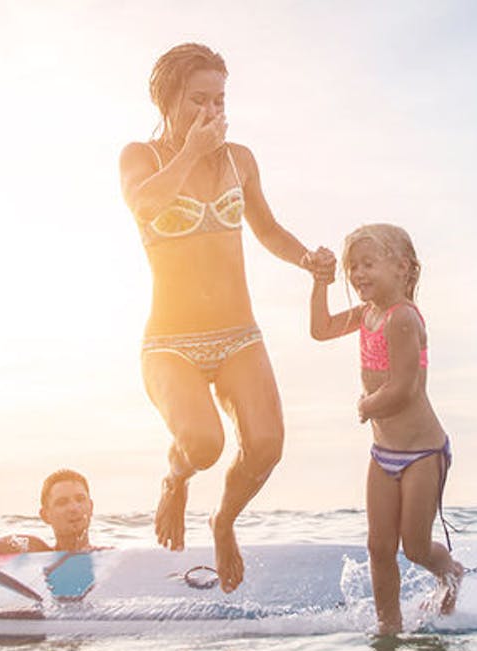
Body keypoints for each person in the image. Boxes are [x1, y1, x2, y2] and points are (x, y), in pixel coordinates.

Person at [118, 43, 336, 593]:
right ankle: (175, 477)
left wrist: (306, 257)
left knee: (266, 447)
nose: (211, 112)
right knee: (205, 445)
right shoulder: (139, 157)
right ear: (167, 101)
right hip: (169, 341)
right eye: (197, 100)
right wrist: (190, 152)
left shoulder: (241, 158)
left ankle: (223, 522)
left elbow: (266, 228)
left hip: (239, 334)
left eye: (219, 99)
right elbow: (144, 205)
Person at [308, 224, 464, 635]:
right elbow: (321, 329)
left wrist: (366, 405)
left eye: (368, 264)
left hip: (422, 453)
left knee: (413, 547)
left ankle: (450, 571)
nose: (358, 274)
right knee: (379, 547)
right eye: (352, 267)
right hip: (383, 453)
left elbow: (404, 388)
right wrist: (320, 283)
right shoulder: (366, 314)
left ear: (400, 268)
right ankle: (388, 625)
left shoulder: (403, 319)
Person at [0, 468, 98, 578]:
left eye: (80, 499)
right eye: (62, 502)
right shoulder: (33, 549)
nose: (74, 508)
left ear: (90, 507)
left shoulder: (108, 557)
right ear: (45, 515)